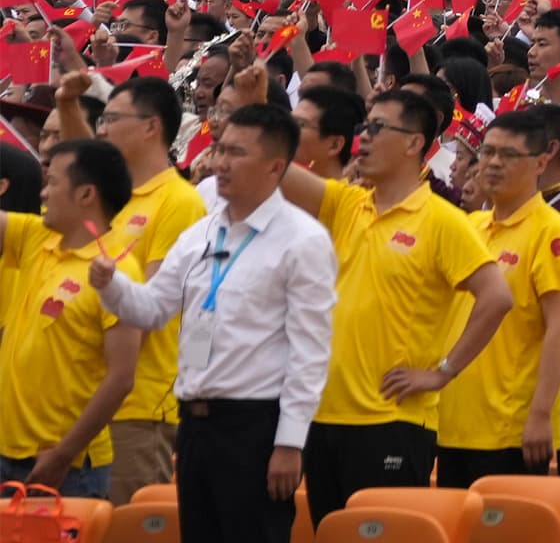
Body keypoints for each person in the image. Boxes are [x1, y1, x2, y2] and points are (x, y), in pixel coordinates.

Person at [88, 105, 336, 543]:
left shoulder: (303, 239)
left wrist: (289, 442)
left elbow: (310, 350)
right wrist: (113, 287)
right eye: (220, 149)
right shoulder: (202, 232)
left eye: (236, 153)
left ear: (275, 166)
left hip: (256, 425)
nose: (219, 162)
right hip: (197, 424)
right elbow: (153, 309)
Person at [279, 83, 516, 517]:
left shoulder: (443, 221)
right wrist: (256, 103)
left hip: (392, 422)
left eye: (377, 127)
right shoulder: (347, 204)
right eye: (363, 127)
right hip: (324, 414)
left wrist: (443, 372)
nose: (363, 138)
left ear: (414, 143)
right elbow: (271, 165)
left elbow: (497, 297)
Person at [55, 72, 207, 504]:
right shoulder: (113, 195)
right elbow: (81, 161)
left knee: (123, 525)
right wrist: (68, 104)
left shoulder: (179, 201)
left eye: (111, 119)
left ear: (151, 126)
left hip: (137, 404)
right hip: (79, 396)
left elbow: (153, 303)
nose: (102, 128)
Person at [434, 110, 560, 484]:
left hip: (508, 428)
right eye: (487, 152)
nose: (494, 163)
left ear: (541, 162)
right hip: (448, 420)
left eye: (509, 155)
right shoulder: (470, 225)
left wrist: (540, 414)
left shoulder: (552, 232)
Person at [0, 138, 149, 497]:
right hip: (7, 454)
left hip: (64, 467)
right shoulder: (39, 238)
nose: (43, 193)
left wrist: (64, 453)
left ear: (86, 195)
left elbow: (122, 377)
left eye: (52, 183)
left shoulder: (117, 274)